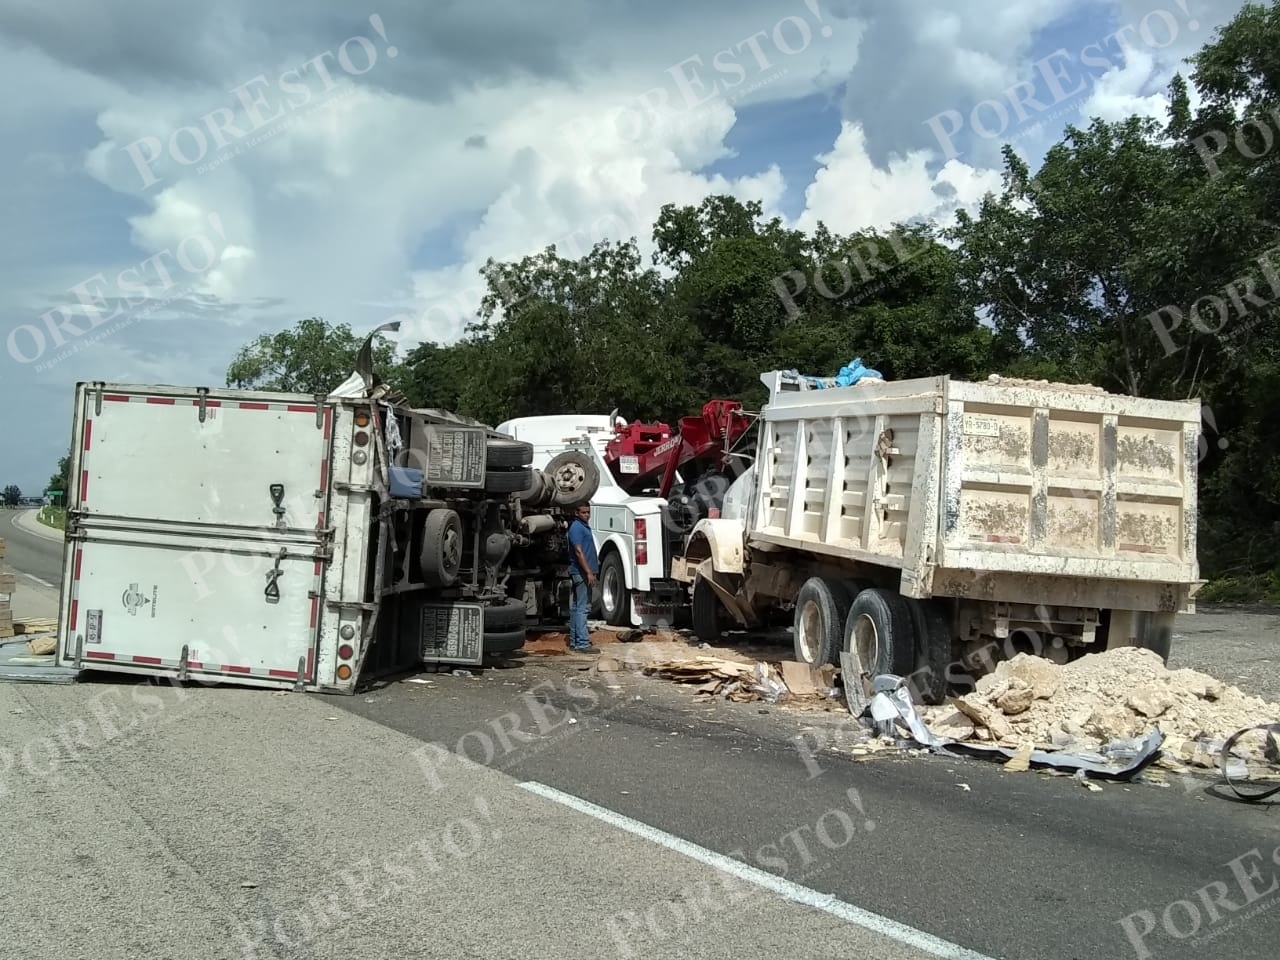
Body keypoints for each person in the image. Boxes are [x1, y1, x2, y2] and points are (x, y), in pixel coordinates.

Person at [566, 502, 600, 653]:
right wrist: (588, 572)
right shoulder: (577, 528)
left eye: (588, 512)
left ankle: (575, 641)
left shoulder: (581, 527)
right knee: (583, 608)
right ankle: (582, 643)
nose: (587, 515)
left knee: (576, 608)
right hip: (581, 573)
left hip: (581, 572)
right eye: (583, 513)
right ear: (576, 513)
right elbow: (578, 551)